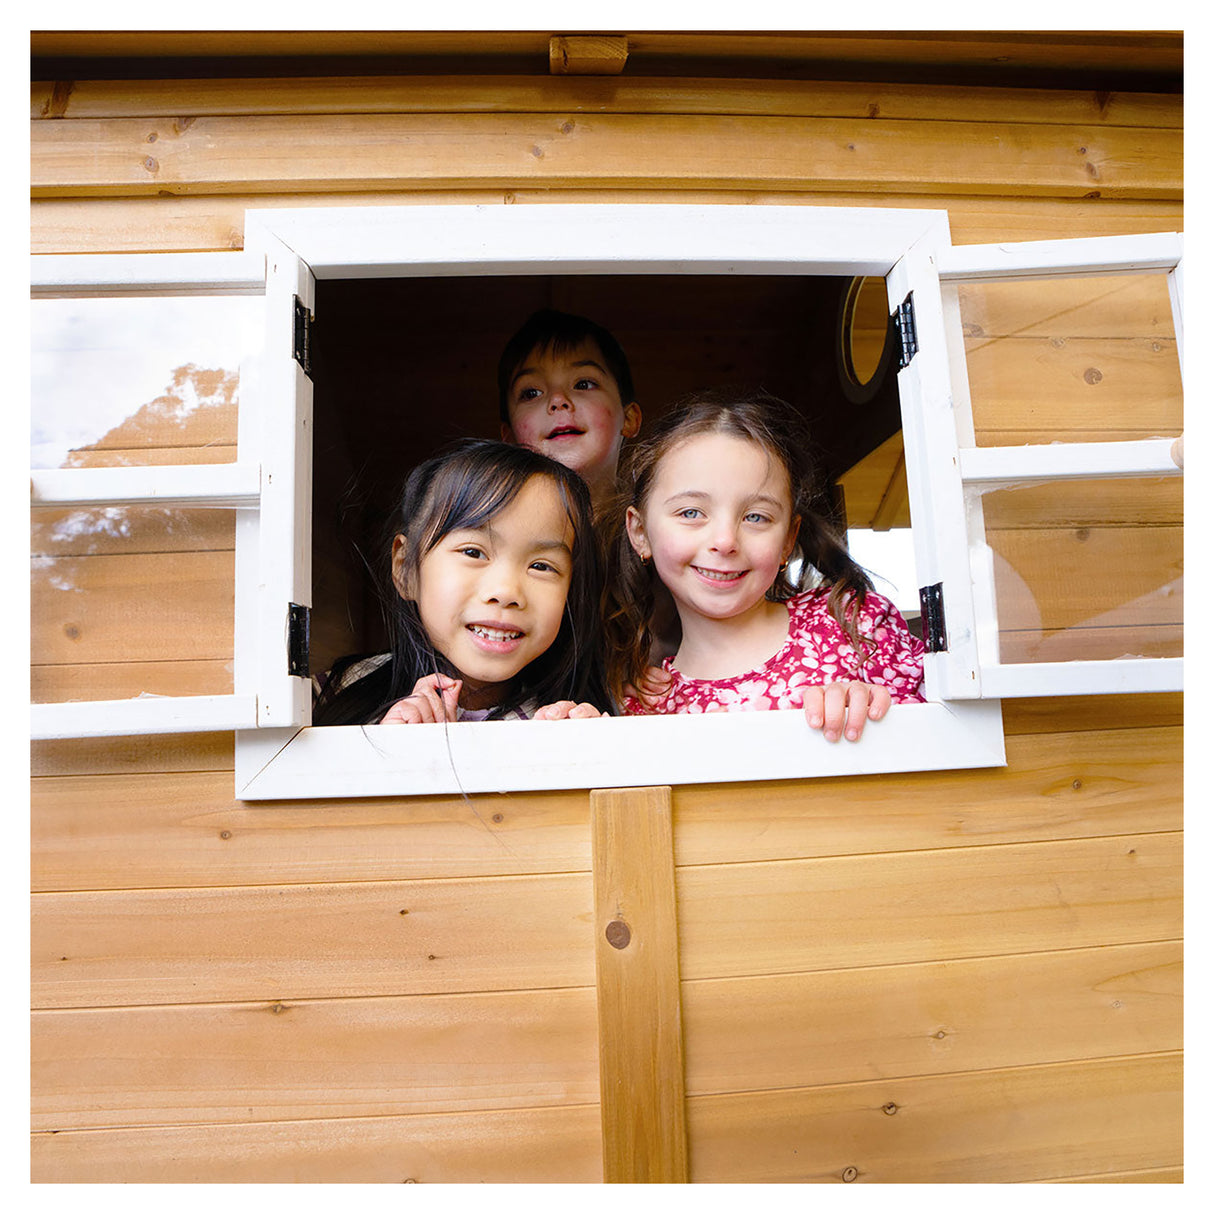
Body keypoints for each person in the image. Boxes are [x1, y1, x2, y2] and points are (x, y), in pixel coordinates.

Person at [602, 390, 925, 742]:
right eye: (691, 513)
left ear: (788, 538)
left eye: (756, 516)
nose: (725, 541)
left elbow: (953, 744)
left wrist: (886, 715)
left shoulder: (853, 625)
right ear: (639, 532)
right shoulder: (648, 707)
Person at [313, 439, 612, 725]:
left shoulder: (559, 722)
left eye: (541, 566)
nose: (506, 592)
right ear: (406, 569)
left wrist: (583, 758)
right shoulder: (329, 694)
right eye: (473, 552)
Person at [497, 308, 642, 513]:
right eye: (532, 393)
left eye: (583, 384)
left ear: (629, 419)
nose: (558, 401)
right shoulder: (497, 532)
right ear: (509, 437)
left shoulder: (658, 524)